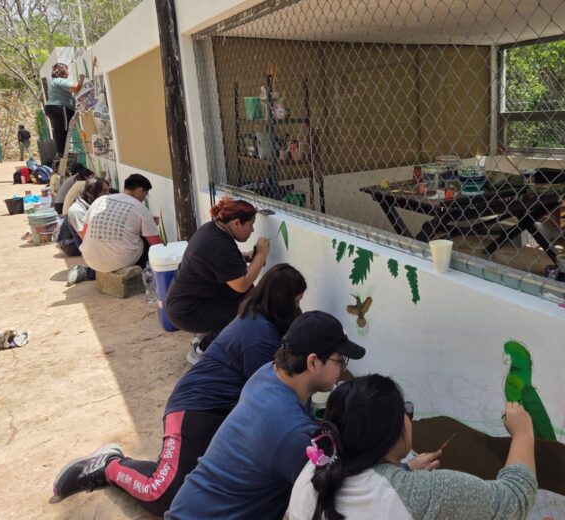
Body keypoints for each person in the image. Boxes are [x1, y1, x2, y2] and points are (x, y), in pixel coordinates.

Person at [52, 264, 308, 515]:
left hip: (219, 411)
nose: (298, 309)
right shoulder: (259, 334)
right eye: (296, 302)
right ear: (282, 301)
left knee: (198, 486)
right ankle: (108, 465)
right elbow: (269, 401)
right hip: (195, 410)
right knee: (162, 494)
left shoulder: (258, 320)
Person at [166, 311, 366, 520]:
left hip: (191, 506)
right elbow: (343, 498)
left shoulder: (269, 374)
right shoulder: (292, 432)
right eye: (339, 360)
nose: (342, 369)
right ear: (313, 363)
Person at [286, 375, 538, 520]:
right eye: (406, 411)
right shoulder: (425, 493)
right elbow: (514, 500)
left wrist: (404, 469)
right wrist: (523, 434)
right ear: (391, 434)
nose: (410, 416)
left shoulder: (316, 466)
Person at [166, 198, 270, 362]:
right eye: (250, 224)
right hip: (188, 311)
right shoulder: (217, 244)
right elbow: (242, 285)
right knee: (249, 306)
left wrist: (249, 256)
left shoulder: (214, 230)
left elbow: (222, 261)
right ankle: (202, 350)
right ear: (236, 223)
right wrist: (261, 255)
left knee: (249, 296)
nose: (252, 230)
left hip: (190, 301)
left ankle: (206, 332)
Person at [79, 173, 163, 273]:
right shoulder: (140, 208)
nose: (144, 198)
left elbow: (84, 232)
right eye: (145, 195)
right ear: (140, 190)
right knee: (147, 240)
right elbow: (155, 242)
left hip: (90, 259)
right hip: (121, 261)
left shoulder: (100, 200)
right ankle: (147, 274)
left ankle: (89, 273)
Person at [65, 177, 110, 286]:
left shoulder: (94, 202)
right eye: (104, 191)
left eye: (108, 191)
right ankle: (87, 272)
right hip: (79, 244)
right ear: (93, 192)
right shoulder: (76, 211)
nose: (107, 195)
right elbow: (87, 239)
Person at [45, 63, 84, 157]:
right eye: (67, 70)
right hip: (60, 107)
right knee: (63, 131)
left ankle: (61, 152)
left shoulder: (54, 81)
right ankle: (63, 153)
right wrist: (81, 79)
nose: (68, 72)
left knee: (60, 131)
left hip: (53, 107)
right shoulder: (60, 81)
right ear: (63, 71)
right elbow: (75, 89)